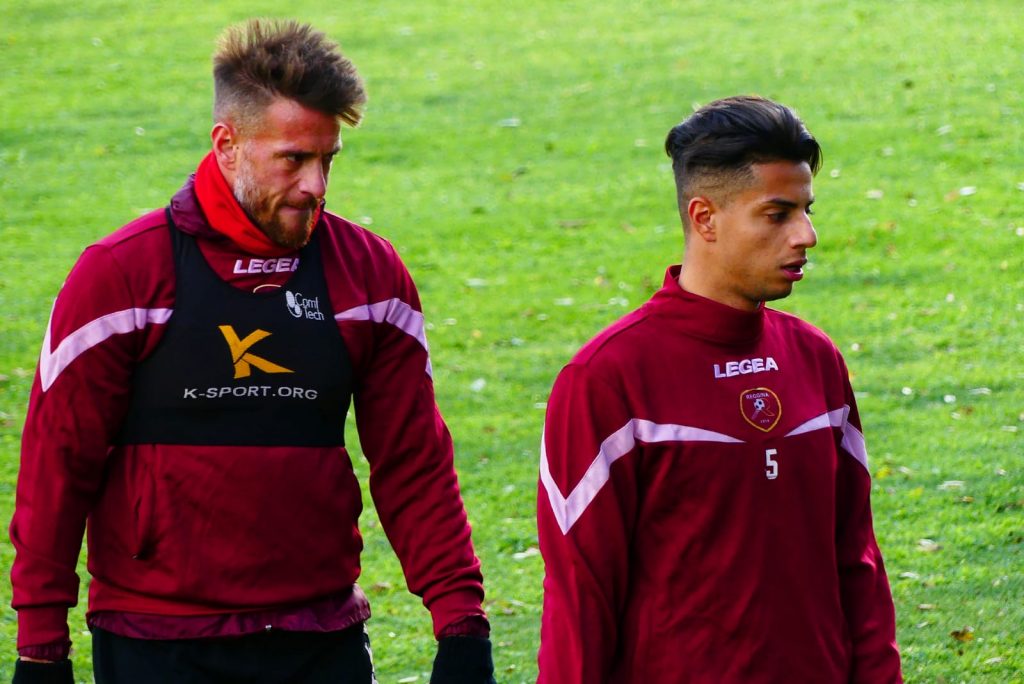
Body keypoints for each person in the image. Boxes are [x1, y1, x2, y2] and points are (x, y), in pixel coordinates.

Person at [9, 19, 495, 684]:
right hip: (157, 638)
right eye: (293, 159)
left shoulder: (370, 278)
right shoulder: (121, 276)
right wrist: (41, 644)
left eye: (328, 160)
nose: (316, 185)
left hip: (318, 633)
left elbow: (413, 461)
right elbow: (56, 466)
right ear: (227, 145)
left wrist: (461, 622)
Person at [536, 96, 902, 682]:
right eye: (777, 214)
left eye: (807, 210)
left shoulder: (816, 360)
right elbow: (581, 601)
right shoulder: (607, 380)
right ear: (705, 218)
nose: (806, 235)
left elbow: (857, 560)